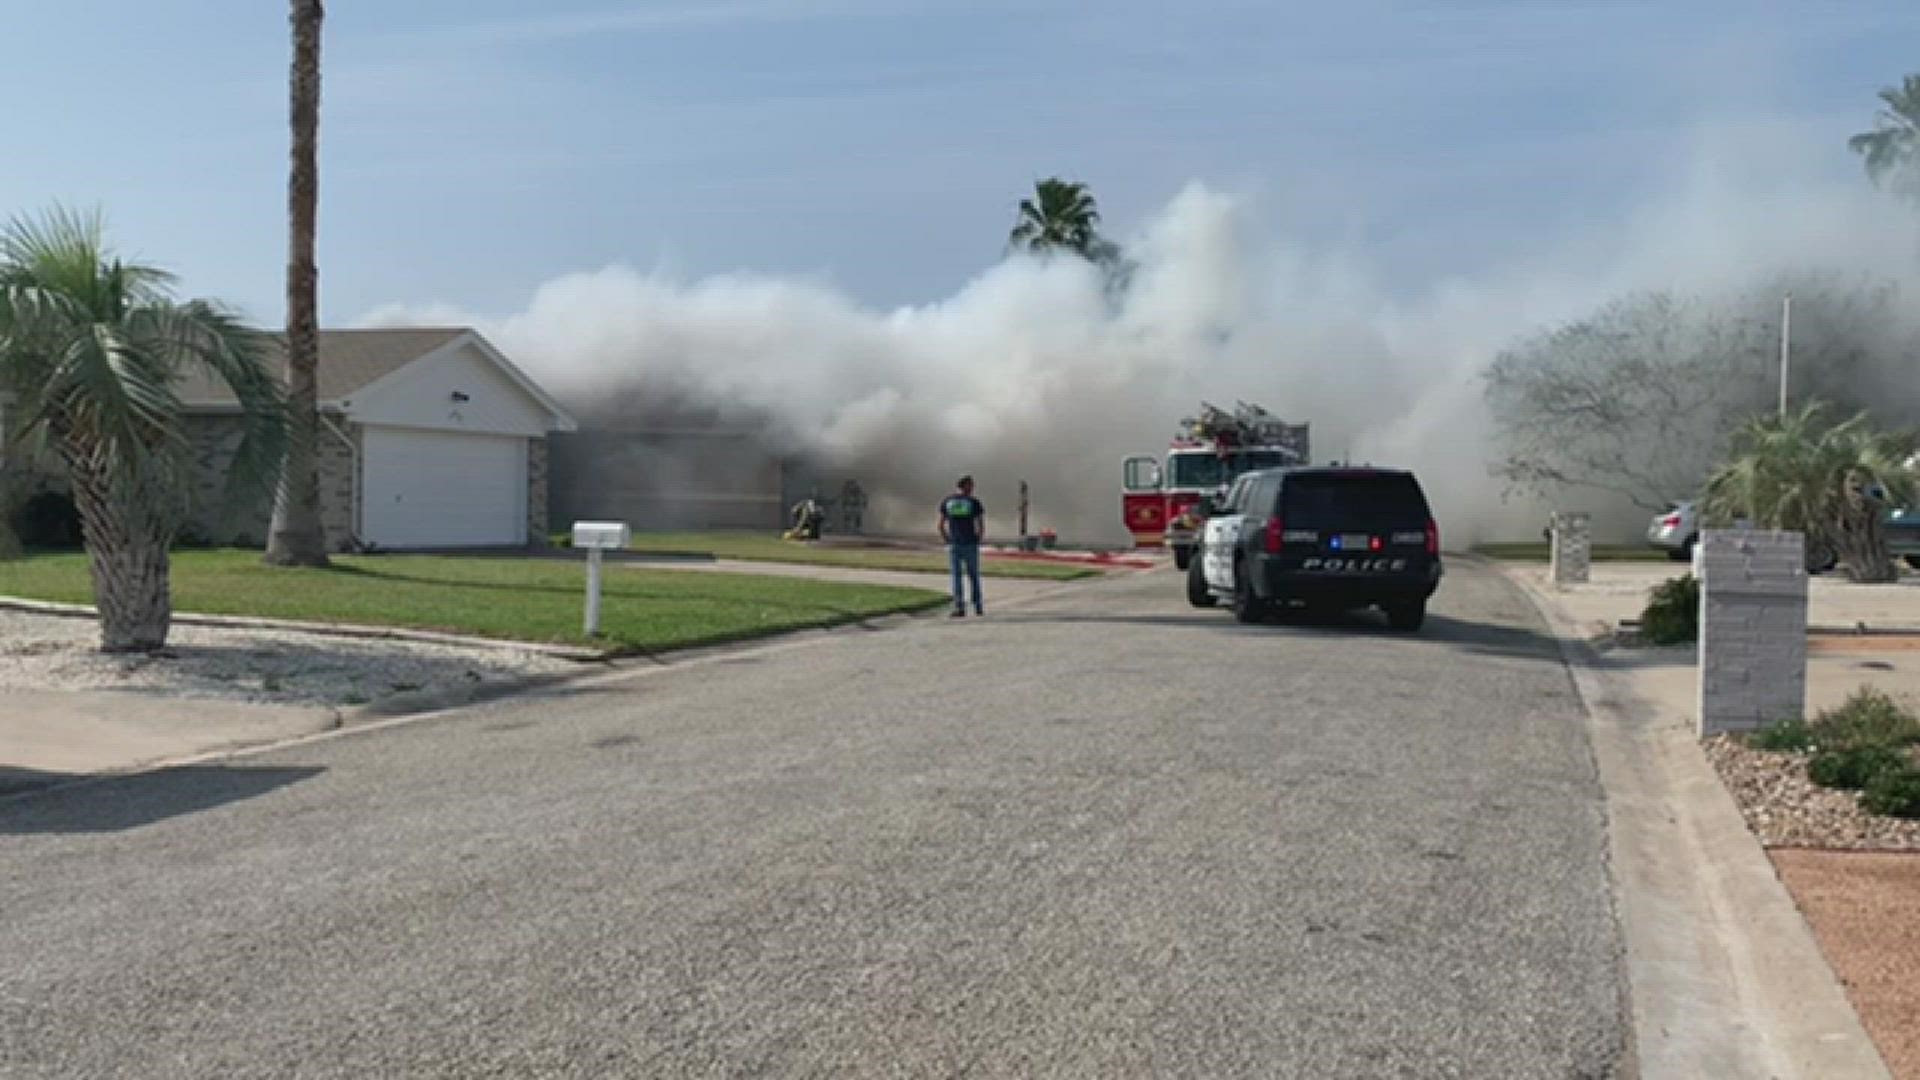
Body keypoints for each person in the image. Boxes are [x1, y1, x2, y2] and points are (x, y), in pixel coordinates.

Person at [938, 475, 986, 616]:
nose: (972, 488)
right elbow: (980, 524)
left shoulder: (947, 502)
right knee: (974, 575)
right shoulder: (973, 502)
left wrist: (947, 539)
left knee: (956, 576)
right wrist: (979, 539)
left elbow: (940, 525)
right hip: (970, 543)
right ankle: (978, 605)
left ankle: (959, 607)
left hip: (955, 543)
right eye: (970, 485)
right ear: (965, 486)